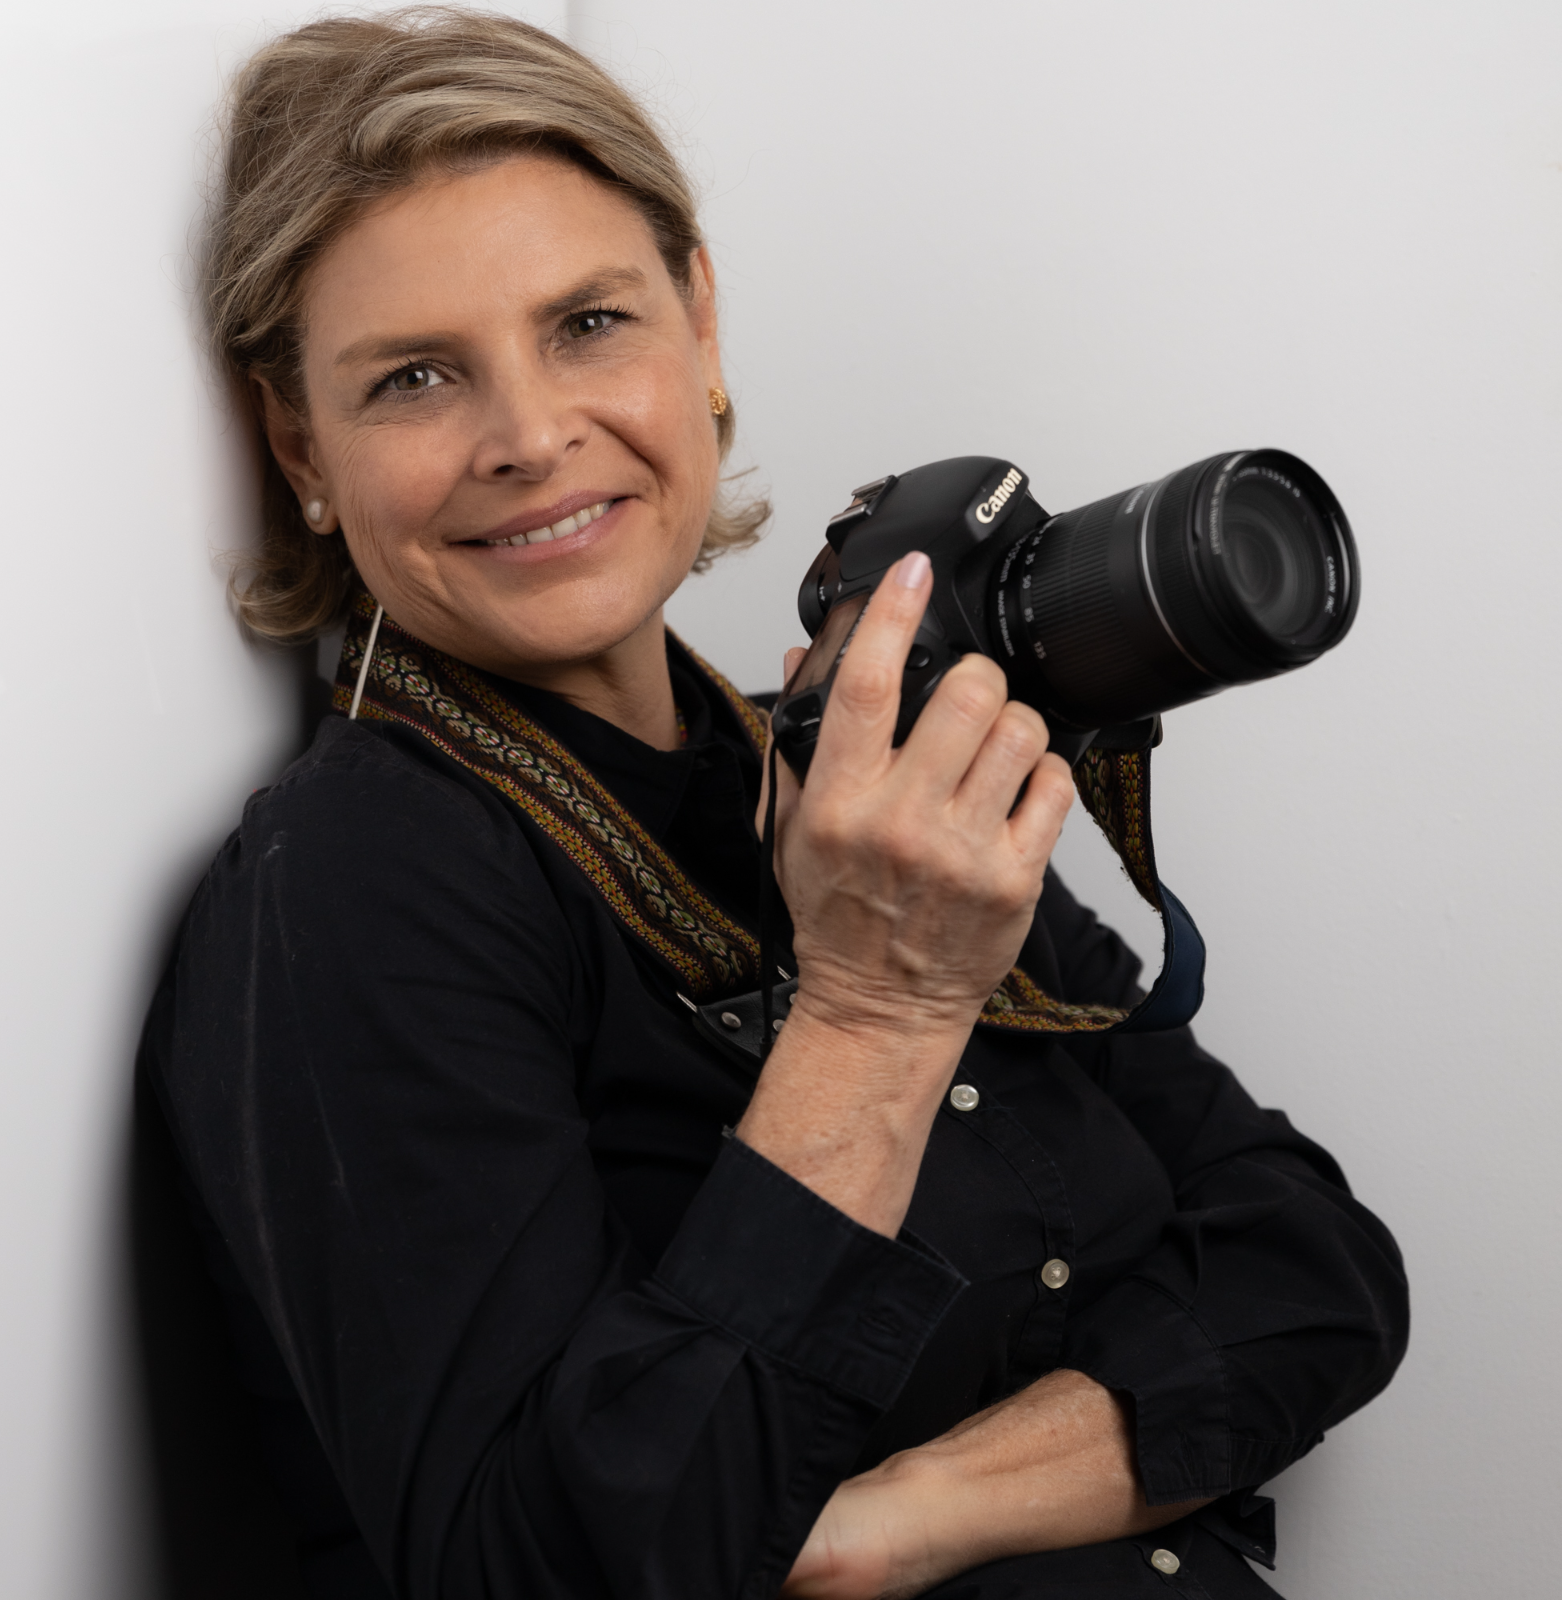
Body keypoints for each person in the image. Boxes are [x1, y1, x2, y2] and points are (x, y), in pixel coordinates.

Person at [142, 10, 1408, 1598]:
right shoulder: (354, 883)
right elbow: (548, 1571)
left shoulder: (844, 777)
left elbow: (1316, 1266)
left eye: (588, 323)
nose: (531, 437)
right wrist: (877, 1014)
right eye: (413, 377)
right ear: (301, 449)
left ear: (701, 327)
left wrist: (901, 1520)